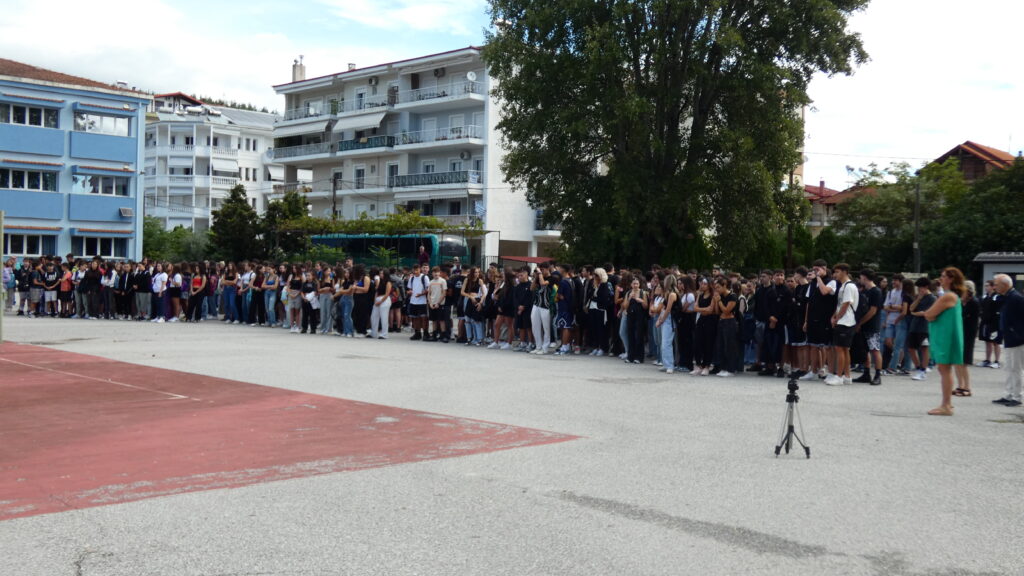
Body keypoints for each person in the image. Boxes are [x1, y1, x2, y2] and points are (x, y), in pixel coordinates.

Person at [922, 267, 966, 416]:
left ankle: (946, 405)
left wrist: (930, 315)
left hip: (945, 336)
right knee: (944, 369)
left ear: (951, 279)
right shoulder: (952, 296)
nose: (940, 279)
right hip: (946, 335)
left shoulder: (948, 296)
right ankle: (946, 403)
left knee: (944, 369)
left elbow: (929, 314)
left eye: (943, 276)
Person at [991, 274, 1023, 407]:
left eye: (996, 284)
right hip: (1009, 338)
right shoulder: (1007, 297)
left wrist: (1017, 334)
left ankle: (1017, 396)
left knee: (1016, 369)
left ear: (1005, 285)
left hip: (1017, 339)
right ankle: (1009, 394)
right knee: (1009, 368)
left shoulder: (1016, 298)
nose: (994, 287)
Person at [826, 263, 858, 386]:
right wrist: (834, 316)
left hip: (846, 322)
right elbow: (840, 304)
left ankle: (839, 376)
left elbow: (846, 304)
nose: (835, 274)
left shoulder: (849, 286)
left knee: (840, 349)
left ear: (844, 272)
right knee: (844, 349)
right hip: (843, 320)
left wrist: (837, 318)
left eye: (837, 272)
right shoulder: (843, 286)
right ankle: (847, 376)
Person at [853, 268, 884, 386]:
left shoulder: (876, 291)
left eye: (861, 277)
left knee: (874, 349)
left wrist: (860, 323)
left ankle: (878, 375)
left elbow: (873, 311)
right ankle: (866, 373)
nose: (860, 279)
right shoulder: (865, 291)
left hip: (872, 325)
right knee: (865, 350)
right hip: (864, 325)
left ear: (864, 277)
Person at [955, 280, 981, 397]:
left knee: (963, 362)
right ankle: (960, 385)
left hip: (968, 335)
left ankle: (967, 387)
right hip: (960, 333)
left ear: (968, 291)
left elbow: (970, 320)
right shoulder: (961, 302)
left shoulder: (974, 302)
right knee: (957, 361)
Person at [908, 277, 936, 381]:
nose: (919, 290)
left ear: (926, 287)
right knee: (911, 348)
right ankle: (918, 367)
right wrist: (918, 299)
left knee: (924, 348)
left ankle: (923, 370)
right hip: (914, 326)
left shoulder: (932, 298)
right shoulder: (919, 297)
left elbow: (926, 313)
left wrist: (915, 313)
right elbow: (911, 308)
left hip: (925, 327)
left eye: (921, 287)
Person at [714, 277, 740, 377]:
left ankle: (731, 369)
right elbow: (717, 311)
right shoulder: (720, 296)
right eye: (715, 288)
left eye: (718, 287)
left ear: (724, 286)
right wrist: (716, 301)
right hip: (721, 321)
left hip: (730, 322)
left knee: (729, 346)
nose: (717, 289)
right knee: (720, 346)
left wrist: (719, 301)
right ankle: (723, 368)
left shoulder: (732, 296)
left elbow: (726, 311)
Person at [978, 280, 1004, 368]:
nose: (986, 287)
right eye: (985, 286)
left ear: (993, 287)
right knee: (987, 341)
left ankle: (997, 361)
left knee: (996, 342)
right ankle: (987, 360)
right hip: (986, 323)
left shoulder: (997, 297)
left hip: (995, 324)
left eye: (988, 286)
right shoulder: (984, 297)